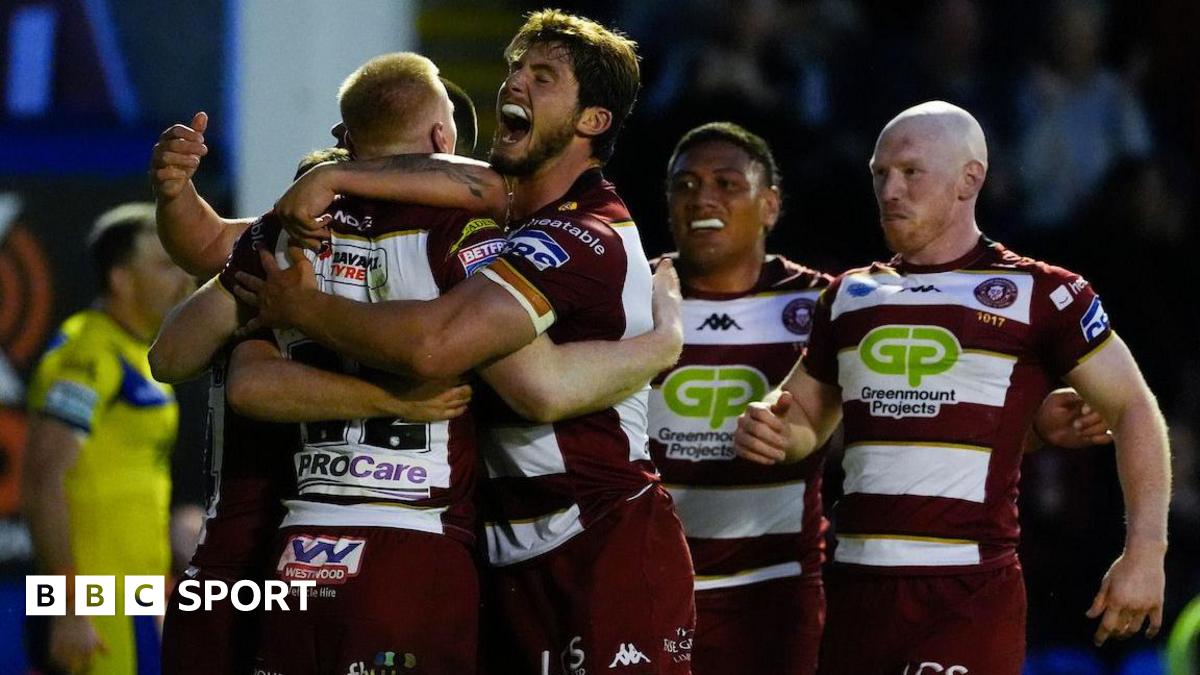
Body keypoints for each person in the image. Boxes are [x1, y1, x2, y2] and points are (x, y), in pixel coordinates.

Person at [154, 50, 683, 674]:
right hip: (418, 544)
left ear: (345, 142)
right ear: (443, 139)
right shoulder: (467, 233)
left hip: (289, 547)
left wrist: (179, 194)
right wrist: (665, 341)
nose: (513, 82)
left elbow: (174, 352)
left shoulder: (288, 236)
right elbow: (530, 383)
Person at [654, 121, 1113, 675]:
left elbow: (904, 413)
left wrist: (1032, 426)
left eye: (727, 183)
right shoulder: (638, 302)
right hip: (656, 582)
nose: (702, 197)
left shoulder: (829, 300)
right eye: (685, 185)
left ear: (771, 206)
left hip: (778, 590)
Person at [22, 204, 193, 674]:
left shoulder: (141, 356)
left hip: (138, 598)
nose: (183, 280)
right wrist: (68, 607)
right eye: (164, 265)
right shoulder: (86, 357)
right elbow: (41, 482)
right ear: (121, 280)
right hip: (95, 606)